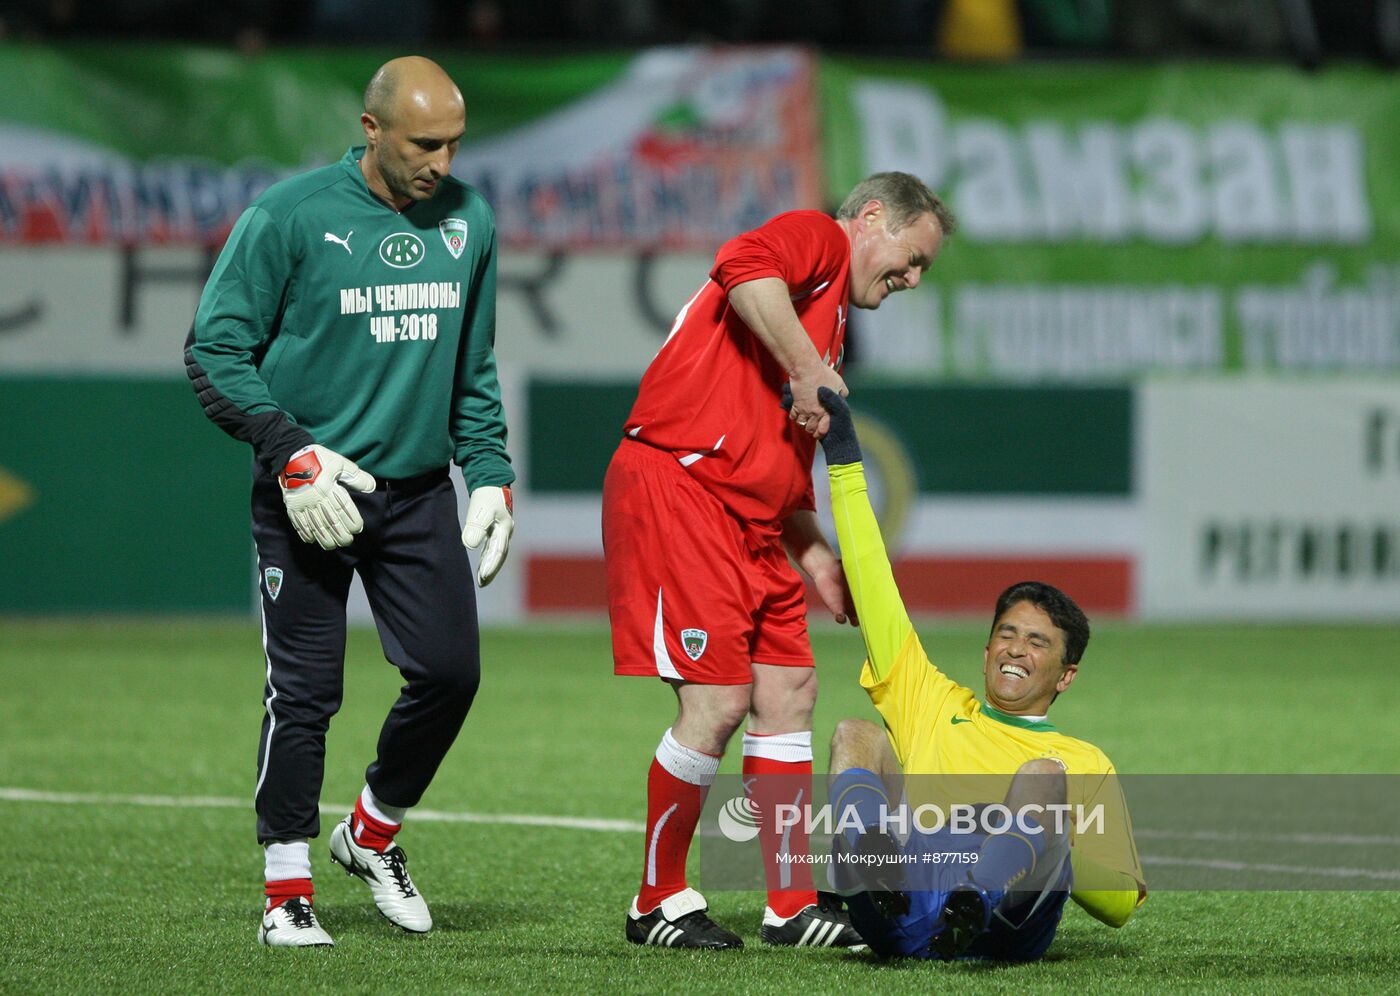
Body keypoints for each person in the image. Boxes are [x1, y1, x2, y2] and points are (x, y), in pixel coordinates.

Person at [184, 56, 515, 948]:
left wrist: (488, 471)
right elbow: (214, 353)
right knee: (304, 692)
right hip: (307, 494)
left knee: (451, 676)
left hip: (415, 496)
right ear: (371, 130)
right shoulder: (287, 218)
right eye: (423, 144)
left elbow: (471, 370)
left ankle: (371, 834)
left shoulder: (470, 220)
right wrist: (291, 455)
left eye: (453, 143)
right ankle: (286, 892)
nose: (441, 162)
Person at [602, 173, 956, 949]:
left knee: (790, 691)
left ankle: (790, 906)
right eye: (910, 257)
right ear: (870, 218)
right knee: (719, 703)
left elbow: (780, 473)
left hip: (755, 523)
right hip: (682, 486)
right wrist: (805, 366)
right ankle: (656, 901)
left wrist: (819, 556)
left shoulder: (822, 331)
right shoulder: (818, 241)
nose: (913, 279)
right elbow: (740, 263)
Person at [807, 386, 1146, 961]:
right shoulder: (932, 702)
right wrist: (842, 457)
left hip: (1004, 921)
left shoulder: (1084, 763)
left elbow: (1119, 903)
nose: (1016, 649)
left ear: (1065, 676)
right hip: (905, 903)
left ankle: (978, 894)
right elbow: (875, 588)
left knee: (1042, 774)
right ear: (987, 650)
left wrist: (1043, 834)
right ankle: (871, 865)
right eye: (1007, 635)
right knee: (854, 734)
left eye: (1037, 643)